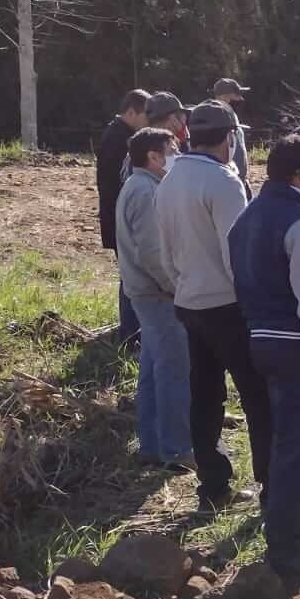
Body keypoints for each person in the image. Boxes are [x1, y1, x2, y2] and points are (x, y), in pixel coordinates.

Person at [227, 135, 300, 578]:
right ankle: (291, 548)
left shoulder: (247, 217)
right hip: (296, 343)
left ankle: (288, 525)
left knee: (279, 439)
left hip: (257, 337)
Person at [155, 100, 271, 515]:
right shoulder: (223, 182)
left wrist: (182, 285)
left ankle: (213, 487)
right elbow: (237, 255)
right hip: (227, 305)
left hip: (188, 301)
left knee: (204, 397)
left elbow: (164, 253)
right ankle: (273, 493)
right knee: (260, 399)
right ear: (229, 137)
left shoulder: (169, 179)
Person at [114, 127, 191, 473]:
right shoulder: (145, 191)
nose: (177, 153)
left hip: (146, 292)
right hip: (157, 294)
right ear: (154, 156)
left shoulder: (142, 185)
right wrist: (176, 287)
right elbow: (153, 252)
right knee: (173, 370)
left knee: (152, 369)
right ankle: (175, 449)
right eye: (171, 148)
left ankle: (151, 443)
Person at [96, 89, 150, 346]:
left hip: (120, 216)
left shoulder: (122, 134)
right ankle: (131, 334)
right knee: (130, 276)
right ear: (131, 112)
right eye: (144, 116)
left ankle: (133, 330)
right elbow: (116, 184)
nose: (147, 122)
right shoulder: (117, 138)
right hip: (120, 217)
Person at [210, 78, 251, 186]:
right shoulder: (215, 120)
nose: (241, 98)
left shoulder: (232, 116)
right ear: (225, 97)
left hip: (239, 181)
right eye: (237, 95)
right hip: (227, 181)